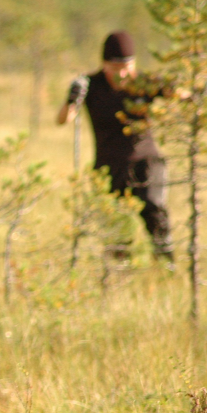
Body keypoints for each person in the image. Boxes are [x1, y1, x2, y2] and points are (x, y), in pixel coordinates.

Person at [57, 30, 174, 261]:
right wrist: (72, 98)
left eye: (127, 67)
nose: (122, 73)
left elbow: (180, 93)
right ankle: (119, 278)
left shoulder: (145, 83)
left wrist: (195, 88)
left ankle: (165, 266)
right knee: (116, 228)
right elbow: (63, 119)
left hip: (146, 162)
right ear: (104, 65)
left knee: (153, 211)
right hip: (108, 167)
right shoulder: (91, 85)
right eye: (116, 67)